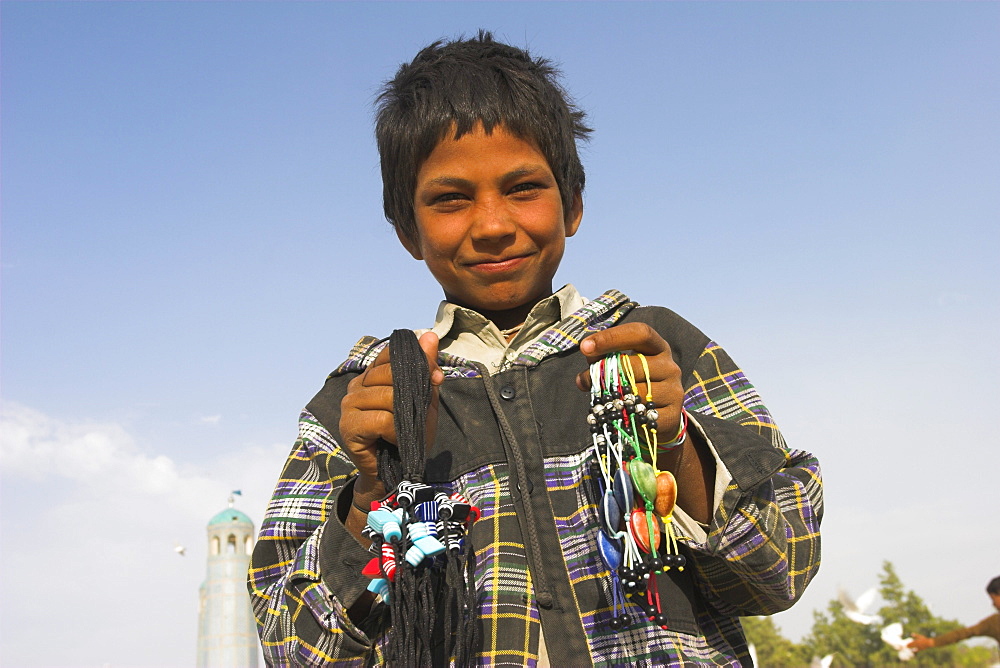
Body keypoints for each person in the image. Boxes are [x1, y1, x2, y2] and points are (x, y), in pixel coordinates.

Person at [247, 31, 822, 667]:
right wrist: (370, 496)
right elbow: (294, 648)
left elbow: (779, 570)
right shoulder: (360, 399)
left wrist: (676, 445)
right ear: (407, 231)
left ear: (573, 205)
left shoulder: (657, 349)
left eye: (524, 188)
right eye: (450, 199)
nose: (493, 225)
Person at [910, 577, 1000, 652]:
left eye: (993, 598)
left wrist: (930, 642)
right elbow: (963, 633)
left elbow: (963, 633)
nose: (993, 604)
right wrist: (931, 642)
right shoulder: (993, 623)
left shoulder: (994, 623)